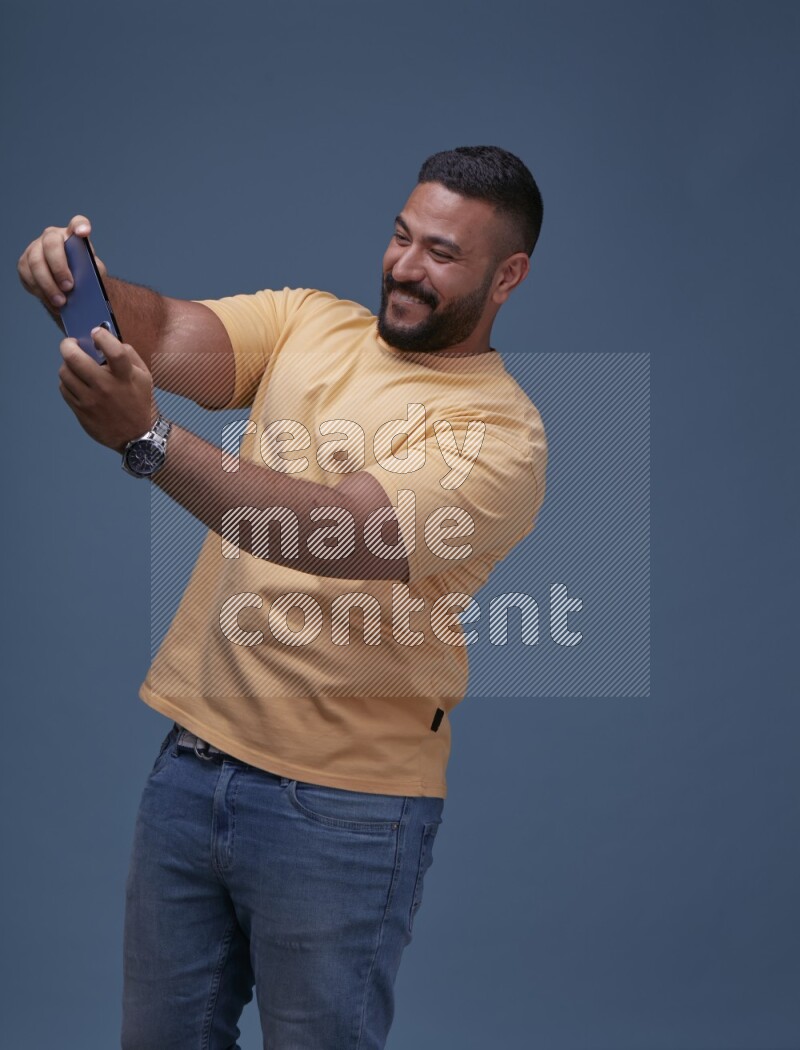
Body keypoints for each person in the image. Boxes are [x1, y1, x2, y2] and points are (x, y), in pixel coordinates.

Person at [18, 145, 547, 1050]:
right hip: (191, 769)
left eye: (442, 254)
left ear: (509, 275)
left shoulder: (501, 435)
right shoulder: (311, 323)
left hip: (345, 811)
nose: (406, 268)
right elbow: (170, 331)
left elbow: (340, 532)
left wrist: (148, 441)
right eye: (401, 236)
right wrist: (87, 288)